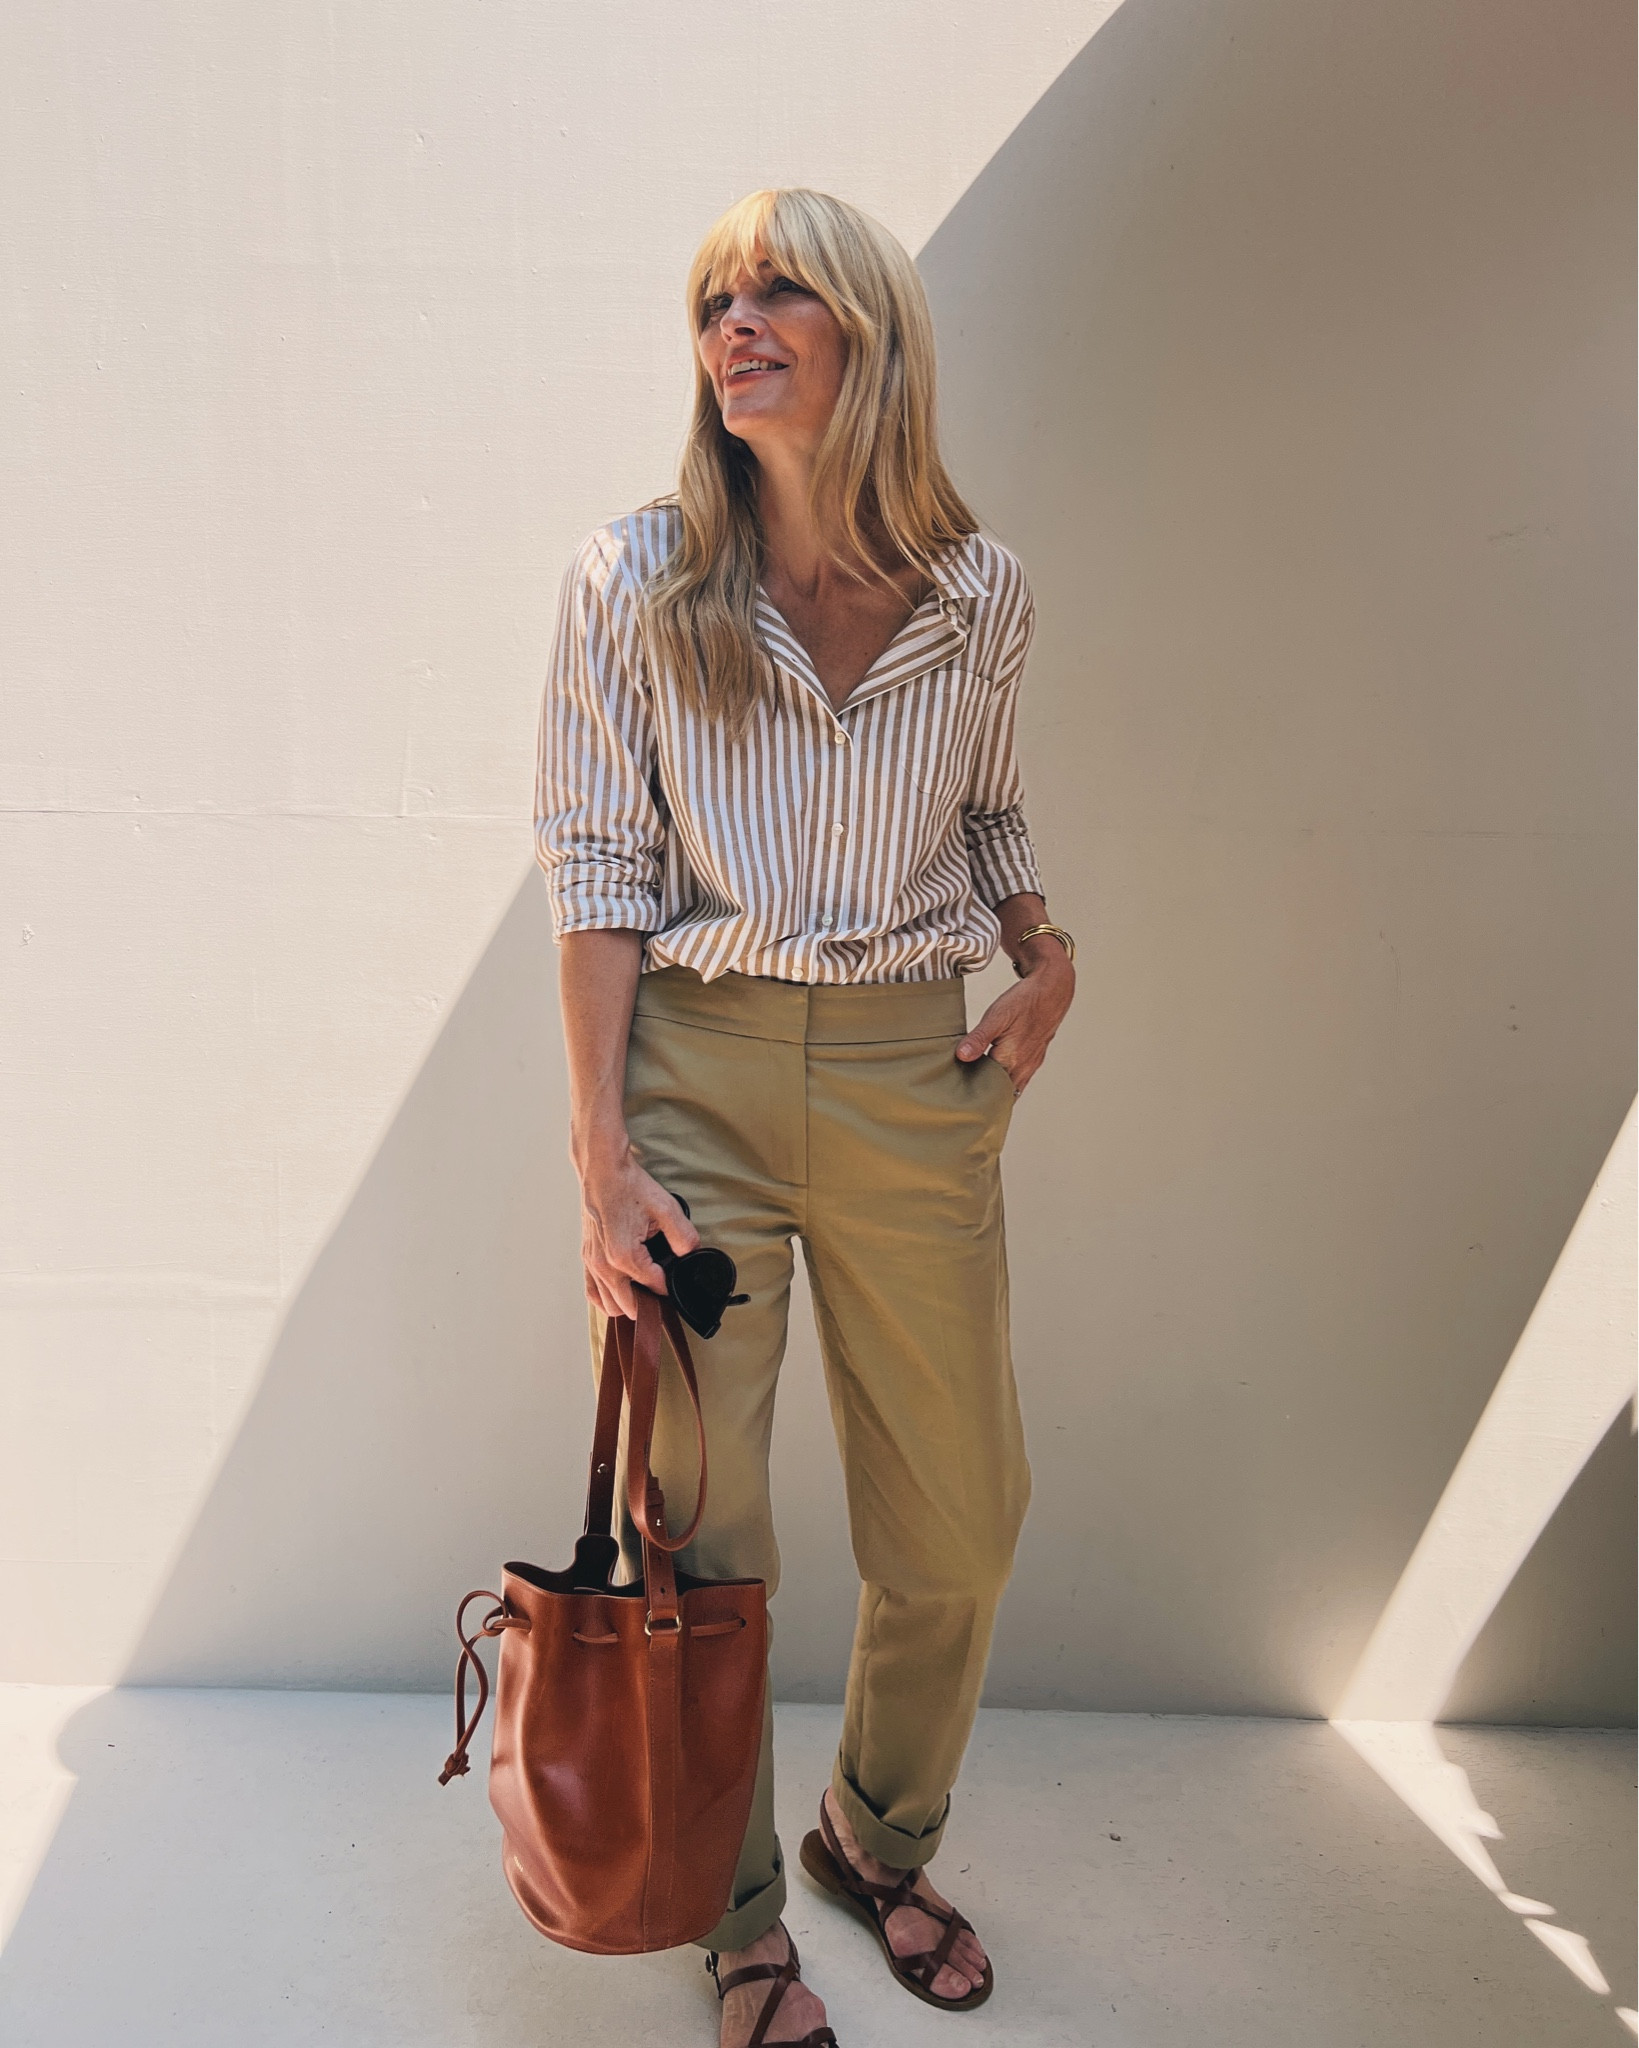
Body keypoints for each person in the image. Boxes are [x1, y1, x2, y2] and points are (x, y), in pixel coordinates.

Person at [534, 186, 1075, 2048]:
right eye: (714, 299)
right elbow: (598, 868)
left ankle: (875, 1831)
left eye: (782, 291)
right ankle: (734, 1907)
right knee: (703, 1518)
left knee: (965, 1516)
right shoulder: (633, 578)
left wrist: (1043, 949)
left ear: (873, 332)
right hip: (698, 1071)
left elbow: (990, 814)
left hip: (922, 1078)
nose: (738, 322)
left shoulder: (980, 592)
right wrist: (602, 1157)